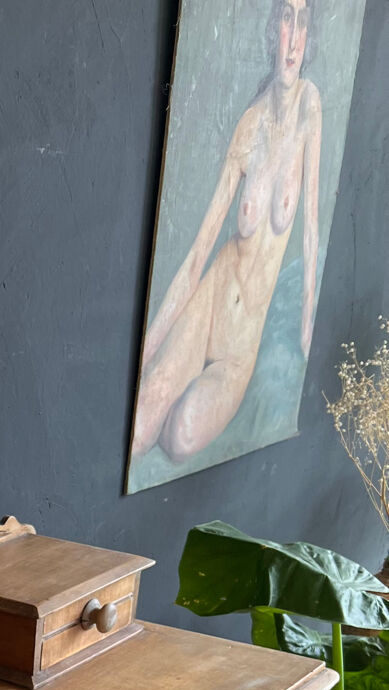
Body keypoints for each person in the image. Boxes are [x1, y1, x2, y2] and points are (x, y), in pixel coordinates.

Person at [131, 0, 322, 465]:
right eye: (285, 19)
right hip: (210, 302)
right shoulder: (248, 126)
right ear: (271, 28)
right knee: (145, 413)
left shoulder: (309, 109)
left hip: (241, 345)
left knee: (180, 435)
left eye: (303, 22)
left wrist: (306, 332)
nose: (292, 37)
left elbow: (312, 229)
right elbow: (198, 256)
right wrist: (146, 353)